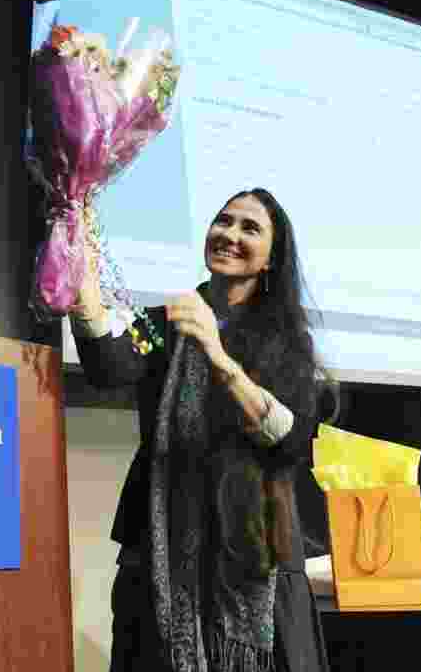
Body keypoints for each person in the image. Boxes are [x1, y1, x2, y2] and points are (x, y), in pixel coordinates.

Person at [70, 188, 329, 672]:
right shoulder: (168, 320)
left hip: (254, 551)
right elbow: (108, 366)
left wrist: (217, 354)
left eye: (250, 228)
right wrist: (78, 263)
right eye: (223, 221)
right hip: (160, 553)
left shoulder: (287, 341)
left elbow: (290, 439)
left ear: (272, 258)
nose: (229, 234)